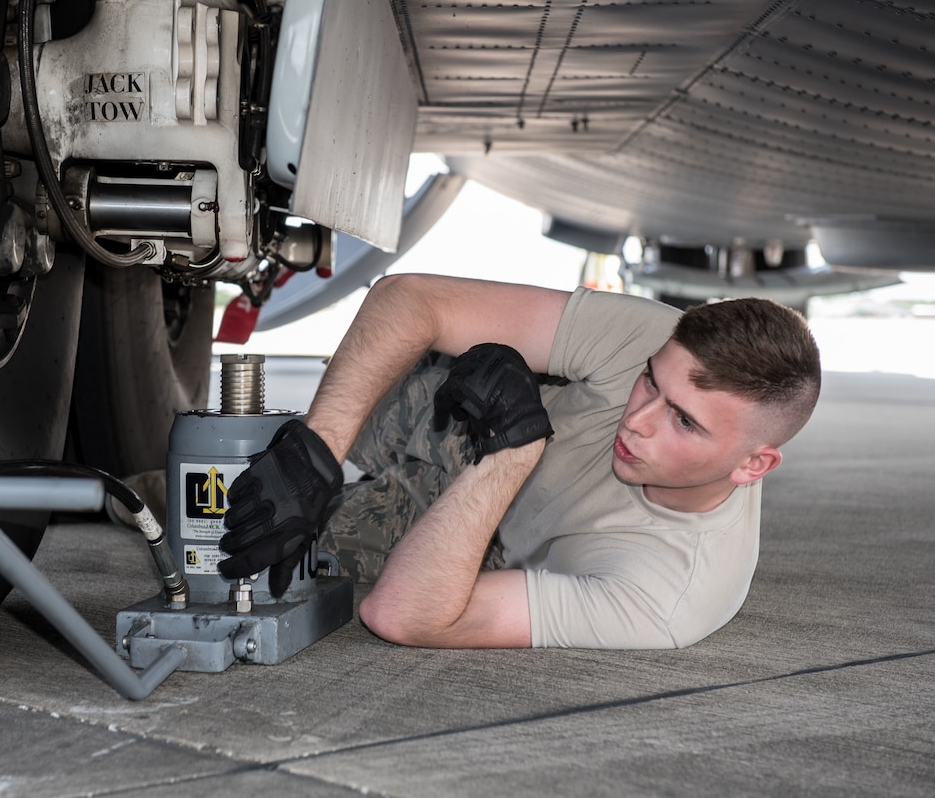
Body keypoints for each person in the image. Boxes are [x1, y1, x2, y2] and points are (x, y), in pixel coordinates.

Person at [217, 274, 821, 650]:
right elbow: (409, 298)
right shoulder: (660, 336)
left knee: (251, 548)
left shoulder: (669, 596)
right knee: (338, 403)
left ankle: (159, 500)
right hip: (469, 417)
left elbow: (402, 616)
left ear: (753, 465)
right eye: (648, 383)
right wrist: (314, 448)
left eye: (684, 421)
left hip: (482, 532)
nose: (637, 420)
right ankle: (213, 474)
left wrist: (515, 453)